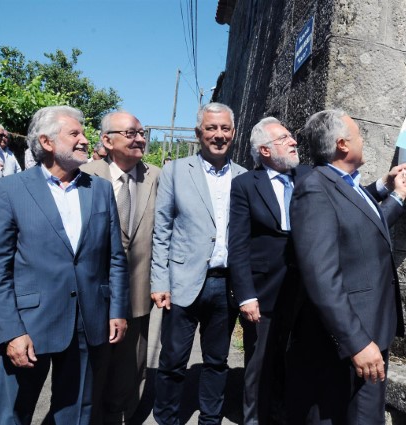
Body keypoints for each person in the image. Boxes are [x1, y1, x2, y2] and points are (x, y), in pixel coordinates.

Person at [0, 105, 129, 424]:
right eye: (75, 134)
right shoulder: (10, 190)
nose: (85, 140)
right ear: (47, 142)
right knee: (12, 413)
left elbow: (115, 257)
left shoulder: (98, 190)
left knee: (77, 412)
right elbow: (0, 268)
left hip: (88, 321)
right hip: (29, 325)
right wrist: (11, 331)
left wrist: (116, 310)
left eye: (84, 133)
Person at [287, 109, 406, 424]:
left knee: (365, 416)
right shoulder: (315, 189)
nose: (364, 140)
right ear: (343, 145)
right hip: (352, 338)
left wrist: (391, 192)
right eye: (359, 135)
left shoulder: (347, 184)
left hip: (370, 329)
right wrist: (356, 341)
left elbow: (363, 229)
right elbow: (321, 276)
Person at [151, 102, 247, 425]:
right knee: (173, 361)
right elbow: (161, 230)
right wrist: (159, 281)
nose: (218, 135)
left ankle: (210, 419)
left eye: (225, 129)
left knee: (217, 361)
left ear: (234, 133)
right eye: (211, 128)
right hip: (182, 282)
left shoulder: (244, 178)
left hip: (226, 285)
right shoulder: (175, 171)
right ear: (198, 133)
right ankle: (166, 418)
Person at [228, 117, 311, 424]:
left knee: (295, 360)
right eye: (284, 138)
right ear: (264, 150)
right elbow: (237, 244)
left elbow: (346, 195)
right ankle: (255, 419)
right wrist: (246, 295)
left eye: (291, 137)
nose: (293, 142)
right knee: (260, 365)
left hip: (305, 289)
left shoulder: (308, 175)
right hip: (264, 292)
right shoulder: (245, 185)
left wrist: (384, 187)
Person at [81, 111, 160, 424]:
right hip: (92, 294)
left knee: (128, 373)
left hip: (138, 293)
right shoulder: (84, 175)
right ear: (107, 140)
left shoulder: (156, 176)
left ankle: (117, 416)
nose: (140, 138)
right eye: (130, 133)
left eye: (141, 132)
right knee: (89, 370)